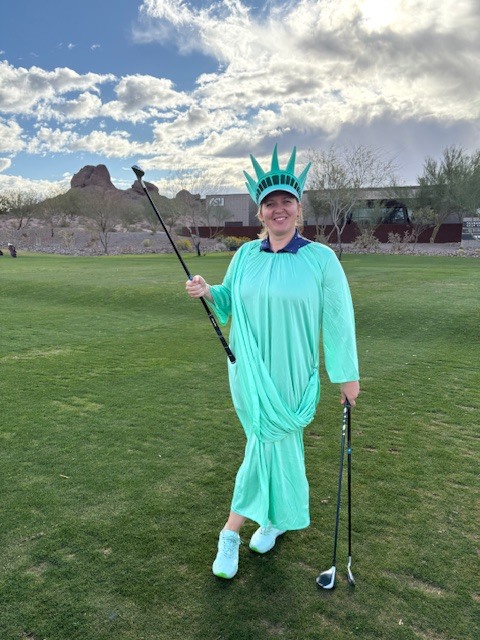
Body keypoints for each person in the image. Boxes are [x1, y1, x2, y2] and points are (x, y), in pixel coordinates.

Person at [186, 145, 360, 579]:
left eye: (286, 201)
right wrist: (208, 290)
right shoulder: (246, 255)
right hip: (248, 367)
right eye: (269, 203)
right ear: (260, 212)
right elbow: (229, 301)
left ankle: (230, 532)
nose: (278, 209)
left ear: (298, 208)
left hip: (293, 370)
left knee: (269, 441)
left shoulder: (321, 259)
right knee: (266, 441)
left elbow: (339, 320)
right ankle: (274, 519)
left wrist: (346, 376)